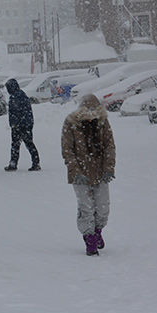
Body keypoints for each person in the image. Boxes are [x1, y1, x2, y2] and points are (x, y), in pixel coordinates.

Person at [61, 93, 116, 256]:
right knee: (86, 207)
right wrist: (76, 171)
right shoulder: (71, 123)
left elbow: (109, 146)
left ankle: (98, 231)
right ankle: (89, 238)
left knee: (103, 207)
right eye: (88, 116)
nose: (91, 120)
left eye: (94, 116)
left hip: (100, 171)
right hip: (80, 173)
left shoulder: (103, 122)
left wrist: (109, 169)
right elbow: (67, 150)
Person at [4, 78, 41, 172]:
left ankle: (13, 164)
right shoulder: (22, 94)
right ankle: (36, 163)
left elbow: (15, 113)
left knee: (16, 145)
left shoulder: (14, 97)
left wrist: (14, 124)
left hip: (19, 125)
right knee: (29, 143)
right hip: (26, 124)